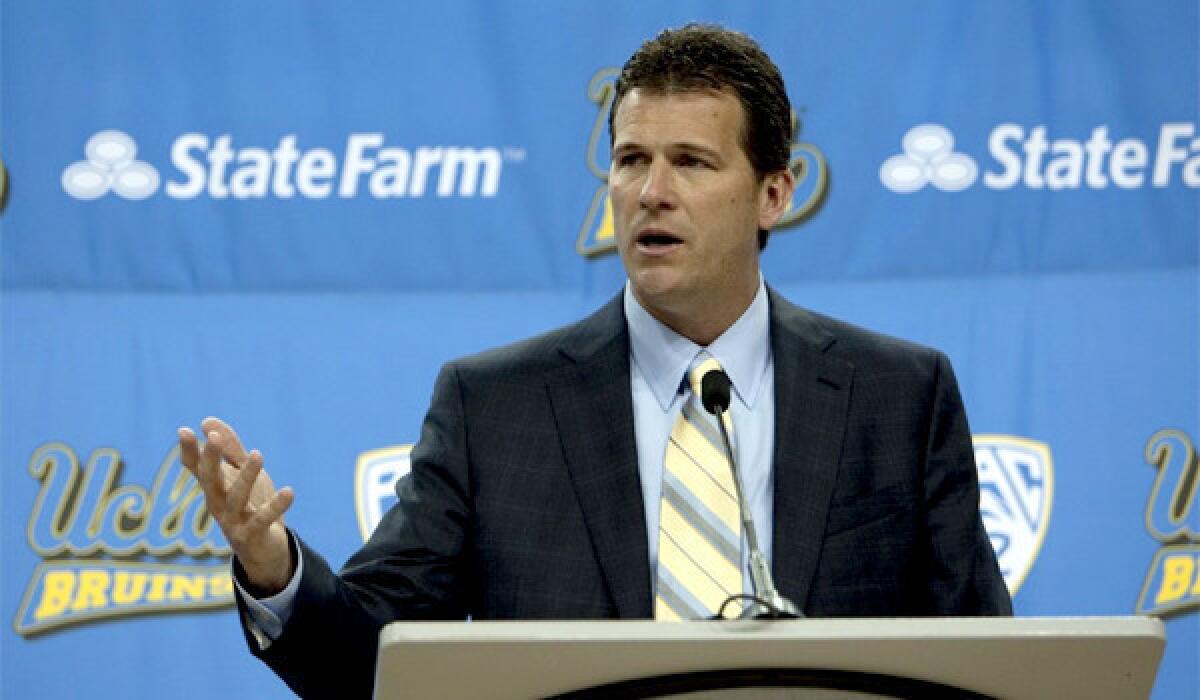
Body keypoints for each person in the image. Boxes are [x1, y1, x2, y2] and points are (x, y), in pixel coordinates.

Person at [178, 24, 1011, 699]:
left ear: (774, 193)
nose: (652, 191)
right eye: (630, 160)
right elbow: (371, 662)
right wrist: (273, 565)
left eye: (690, 162)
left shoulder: (898, 397)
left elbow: (983, 663)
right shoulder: (493, 406)